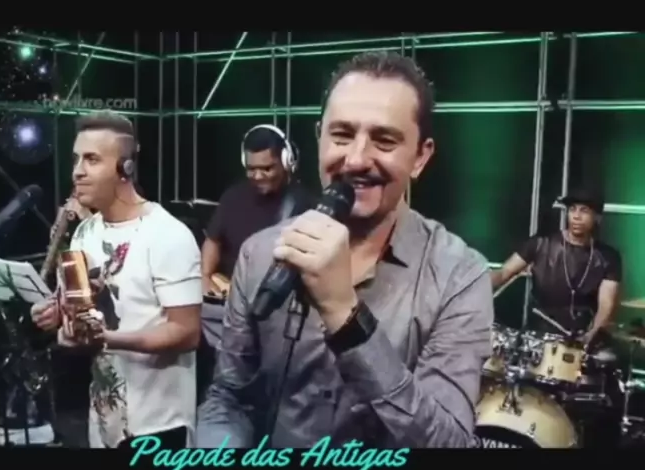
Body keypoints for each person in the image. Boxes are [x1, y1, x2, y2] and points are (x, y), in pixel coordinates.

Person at [196, 51, 494, 448]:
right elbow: (229, 397)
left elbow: (449, 443)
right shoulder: (260, 254)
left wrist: (345, 317)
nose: (356, 159)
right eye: (341, 135)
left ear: (420, 156)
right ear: (319, 137)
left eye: (384, 140)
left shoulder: (459, 275)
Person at [31, 111, 202, 449]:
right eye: (76, 159)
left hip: (158, 424)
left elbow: (186, 332)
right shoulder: (85, 232)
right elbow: (79, 305)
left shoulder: (168, 235)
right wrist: (56, 315)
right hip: (104, 419)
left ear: (125, 168)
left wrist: (107, 338)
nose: (77, 171)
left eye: (92, 159)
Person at [199, 125, 314, 346]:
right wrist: (205, 276)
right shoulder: (233, 197)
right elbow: (213, 240)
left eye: (267, 168)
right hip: (230, 307)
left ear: (287, 161)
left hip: (277, 311)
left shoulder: (305, 205)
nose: (258, 176)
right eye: (251, 169)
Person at [491, 186, 622, 346]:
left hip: (583, 338)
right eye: (572, 209)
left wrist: (592, 335)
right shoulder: (540, 243)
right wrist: (474, 283)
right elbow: (504, 272)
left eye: (584, 211)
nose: (576, 216)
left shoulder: (608, 257)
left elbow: (606, 305)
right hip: (540, 336)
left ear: (597, 217)